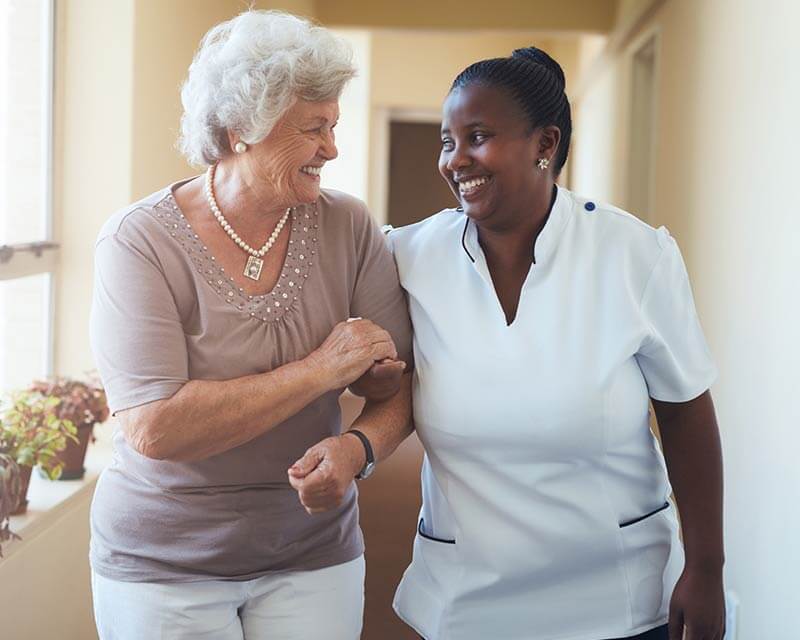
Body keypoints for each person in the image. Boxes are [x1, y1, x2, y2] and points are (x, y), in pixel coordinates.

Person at [88, 11, 412, 640]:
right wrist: (321, 370)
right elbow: (155, 427)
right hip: (163, 564)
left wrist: (358, 445)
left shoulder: (349, 226)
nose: (333, 149)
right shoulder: (139, 241)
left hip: (314, 550)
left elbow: (396, 386)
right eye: (314, 128)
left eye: (335, 125)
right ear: (242, 130)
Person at [385, 48, 726, 640]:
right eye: (447, 141)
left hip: (617, 600)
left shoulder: (634, 255)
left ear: (545, 144)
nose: (455, 159)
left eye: (478, 136)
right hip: (466, 600)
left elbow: (686, 413)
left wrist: (707, 567)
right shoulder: (408, 257)